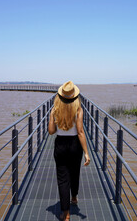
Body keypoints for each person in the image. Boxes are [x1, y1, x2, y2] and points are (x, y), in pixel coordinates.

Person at [48, 81, 90, 221]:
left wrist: (51, 116)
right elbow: (80, 132)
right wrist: (86, 153)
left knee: (62, 179)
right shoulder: (78, 109)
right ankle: (74, 197)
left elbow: (51, 132)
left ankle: (65, 214)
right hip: (74, 145)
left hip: (60, 144)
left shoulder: (56, 109)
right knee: (74, 172)